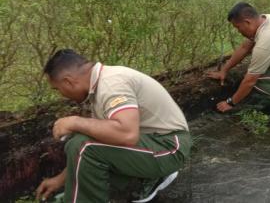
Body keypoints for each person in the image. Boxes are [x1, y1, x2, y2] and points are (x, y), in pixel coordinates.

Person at [35, 49, 191, 203]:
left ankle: (150, 176)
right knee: (85, 145)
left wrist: (74, 122)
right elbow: (101, 141)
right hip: (155, 143)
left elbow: (127, 135)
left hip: (170, 147)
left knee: (81, 144)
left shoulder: (111, 84)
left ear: (68, 81)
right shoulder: (100, 84)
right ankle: (146, 178)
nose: (60, 94)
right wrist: (60, 180)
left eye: (57, 89)